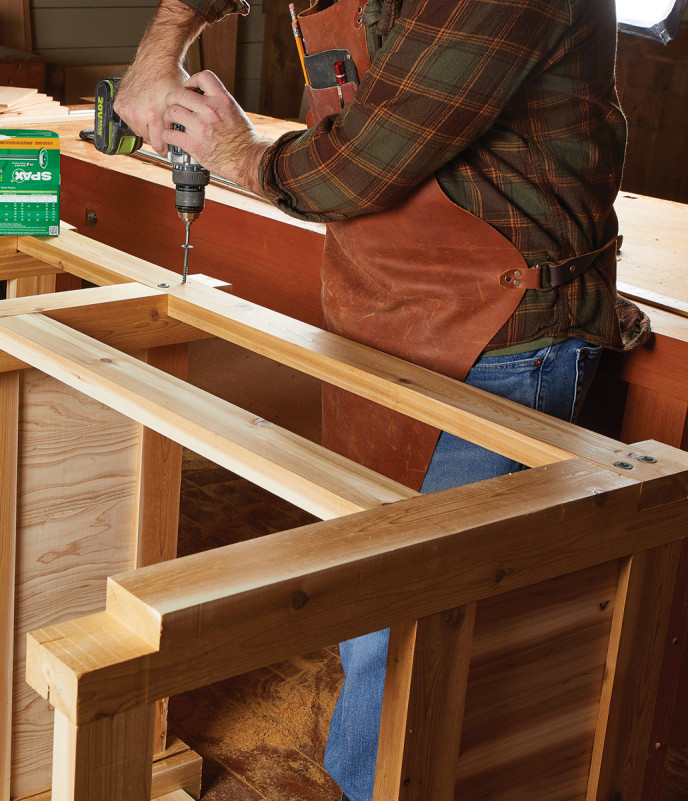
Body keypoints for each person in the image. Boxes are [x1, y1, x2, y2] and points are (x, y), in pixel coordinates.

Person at [115, 1, 650, 799]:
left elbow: (353, 170)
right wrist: (161, 50)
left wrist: (237, 151)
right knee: (373, 607)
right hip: (383, 322)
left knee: (425, 652)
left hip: (501, 340)